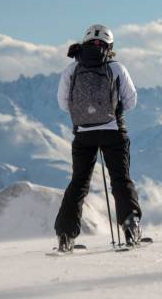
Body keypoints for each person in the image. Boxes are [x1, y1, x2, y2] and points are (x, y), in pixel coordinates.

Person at [54, 24, 142, 252]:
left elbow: (63, 104)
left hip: (83, 134)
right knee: (121, 180)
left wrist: (87, 115)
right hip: (114, 131)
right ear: (109, 46)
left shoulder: (71, 70)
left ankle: (65, 235)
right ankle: (131, 228)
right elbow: (131, 102)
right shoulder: (117, 68)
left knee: (79, 183)